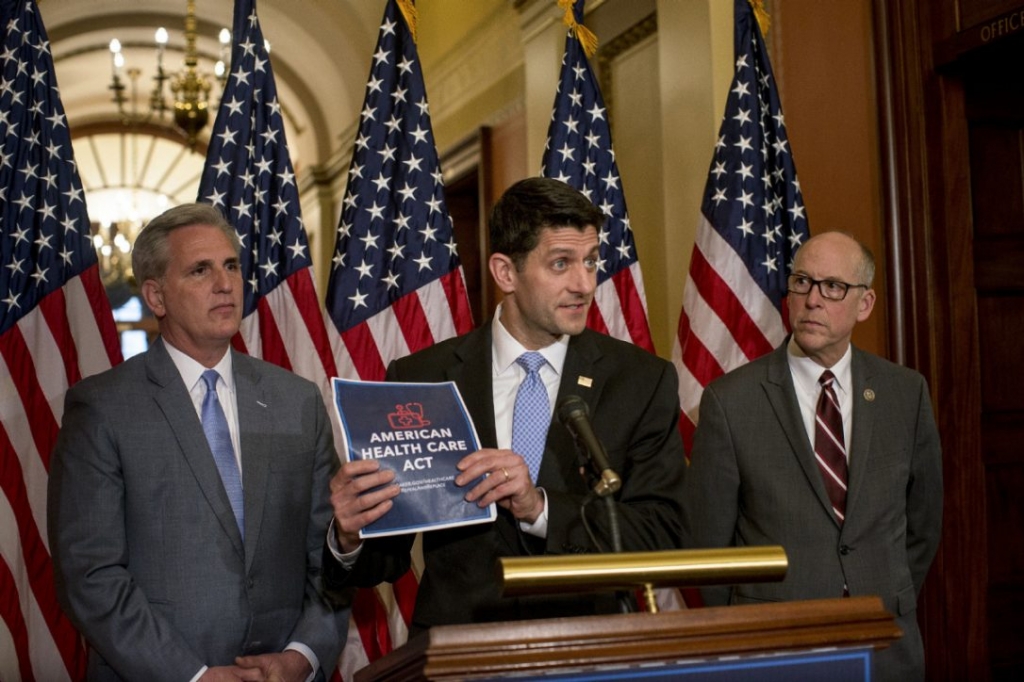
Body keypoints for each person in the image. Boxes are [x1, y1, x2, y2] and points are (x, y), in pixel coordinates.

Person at [325, 177, 687, 630]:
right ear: (505, 272)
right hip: (461, 653)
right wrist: (349, 532)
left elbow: (665, 533)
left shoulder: (640, 380)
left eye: (591, 261)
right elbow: (384, 560)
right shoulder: (422, 376)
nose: (584, 284)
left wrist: (540, 508)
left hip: (591, 648)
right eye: (561, 263)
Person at [48, 204, 350, 682]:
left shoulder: (298, 401)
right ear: (156, 296)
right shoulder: (103, 408)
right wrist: (192, 675)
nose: (225, 283)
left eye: (231, 265)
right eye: (200, 270)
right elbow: (91, 575)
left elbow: (330, 554)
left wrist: (302, 655)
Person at [682, 231, 943, 682]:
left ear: (865, 304)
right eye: (802, 282)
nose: (812, 300)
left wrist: (886, 589)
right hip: (774, 647)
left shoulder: (906, 392)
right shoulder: (731, 400)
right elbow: (709, 545)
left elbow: (923, 523)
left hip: (885, 639)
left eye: (832, 287)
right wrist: (748, 627)